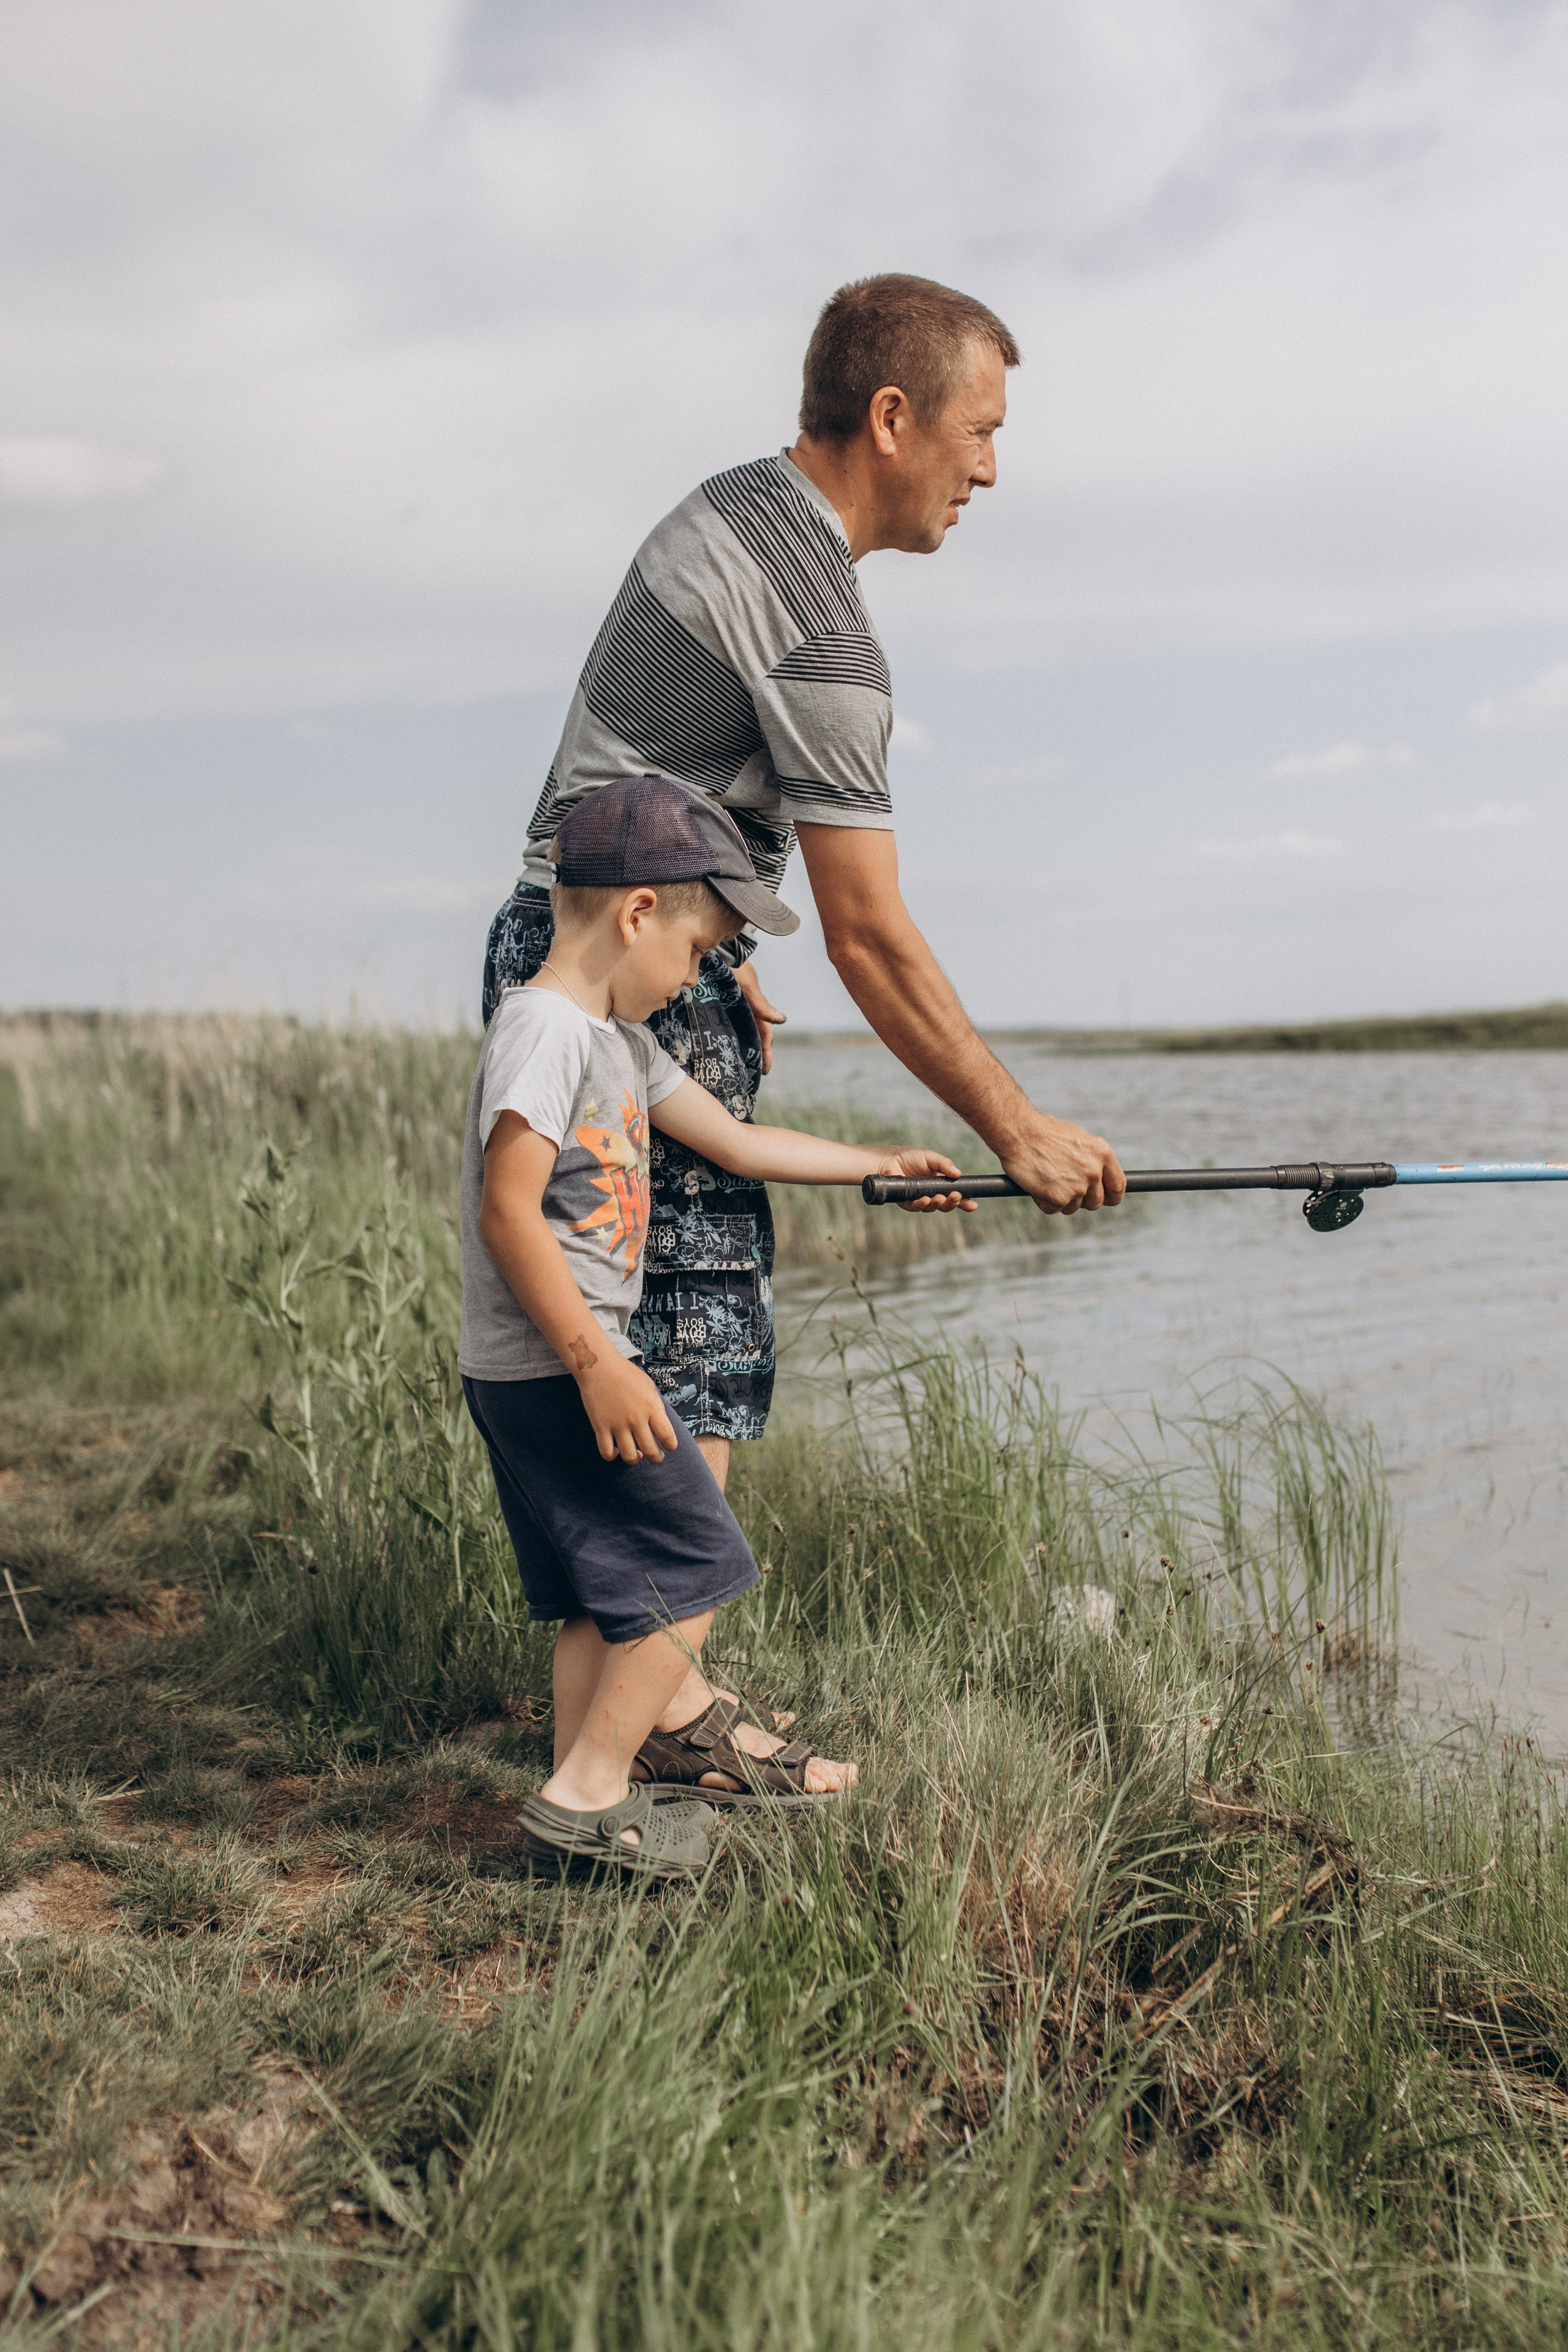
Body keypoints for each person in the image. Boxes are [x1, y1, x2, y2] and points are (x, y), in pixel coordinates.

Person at [481, 270, 1125, 1733]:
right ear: (891, 417)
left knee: (637, 1342)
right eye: (978, 429)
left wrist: (709, 931)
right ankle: (626, 1748)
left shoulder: (729, 509)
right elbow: (871, 936)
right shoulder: (824, 634)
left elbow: (640, 777)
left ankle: (656, 1714)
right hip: (622, 977)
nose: (989, 469)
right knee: (696, 1351)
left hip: (586, 939)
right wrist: (1013, 1127)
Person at [461, 774, 971, 1878]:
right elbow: (507, 1212)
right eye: (698, 952)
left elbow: (738, 1144)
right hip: (560, 1365)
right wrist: (598, 1367)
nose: (700, 977)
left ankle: (581, 1801)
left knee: (601, 1592)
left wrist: (882, 1165)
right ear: (637, 913)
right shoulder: (545, 1030)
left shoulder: (618, 1042)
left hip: (543, 1368)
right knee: (698, 1564)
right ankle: (589, 1791)